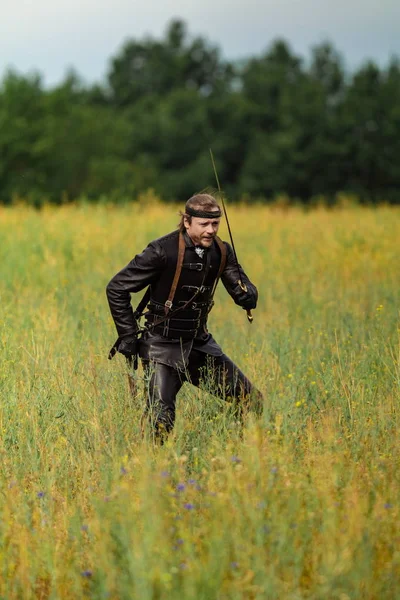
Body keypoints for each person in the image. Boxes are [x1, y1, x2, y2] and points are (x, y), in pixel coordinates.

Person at [106, 193, 263, 440]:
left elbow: (240, 284)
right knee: (160, 424)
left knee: (251, 400)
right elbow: (116, 288)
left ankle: (232, 449)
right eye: (204, 224)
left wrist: (248, 296)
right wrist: (127, 337)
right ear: (187, 222)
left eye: (215, 224)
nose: (211, 230)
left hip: (200, 344)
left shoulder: (221, 252)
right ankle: (154, 473)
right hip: (161, 347)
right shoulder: (161, 251)